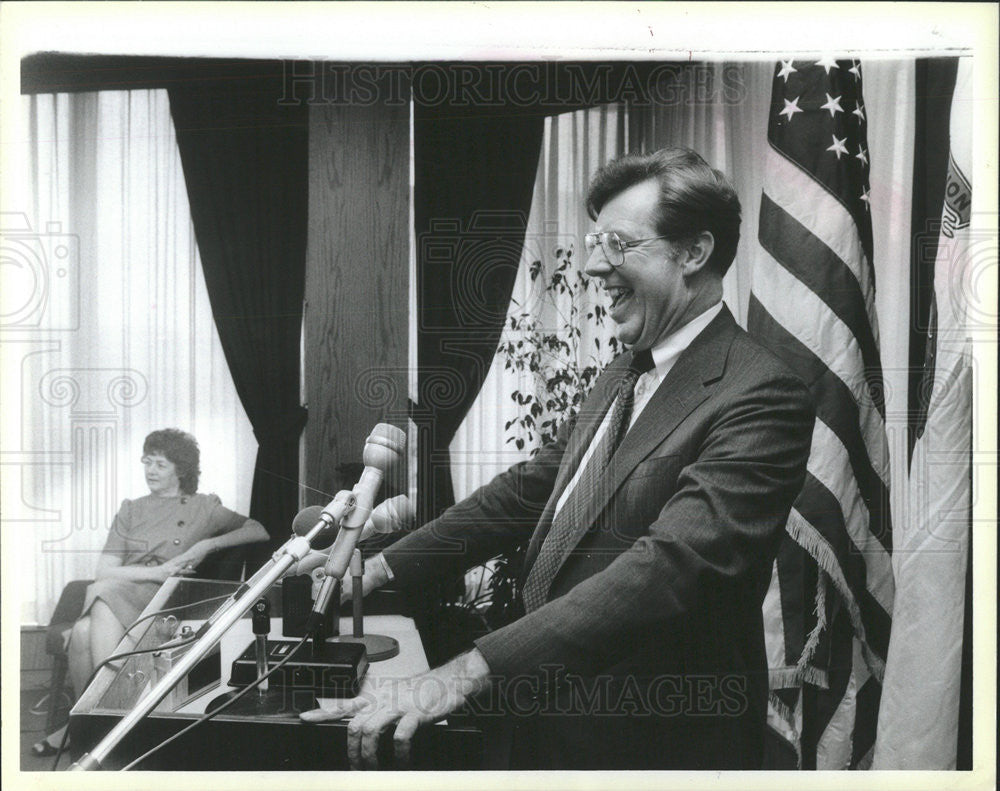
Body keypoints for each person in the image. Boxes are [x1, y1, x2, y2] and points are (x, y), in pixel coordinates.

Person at [301, 148, 815, 770]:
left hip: (652, 746)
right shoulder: (621, 374)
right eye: (596, 241)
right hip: (548, 717)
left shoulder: (762, 392)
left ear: (694, 253)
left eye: (619, 244)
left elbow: (672, 568)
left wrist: (464, 673)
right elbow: (524, 493)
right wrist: (375, 568)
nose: (595, 265)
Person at [32, 428, 268, 756]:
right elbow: (105, 570)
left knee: (89, 622)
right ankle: (103, 717)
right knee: (90, 618)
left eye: (159, 464)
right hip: (125, 588)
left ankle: (89, 724)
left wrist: (206, 544)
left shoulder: (205, 508)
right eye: (147, 462)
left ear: (181, 470)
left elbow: (258, 529)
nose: (150, 470)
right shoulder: (131, 508)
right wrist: (155, 570)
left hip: (165, 597)